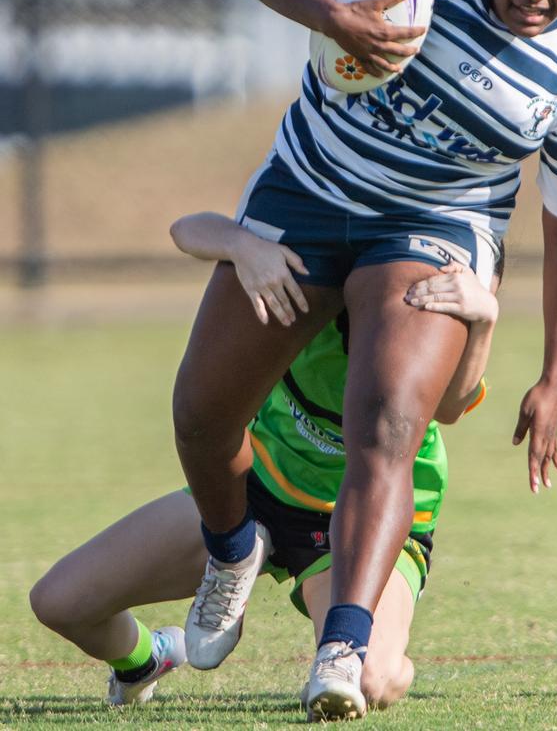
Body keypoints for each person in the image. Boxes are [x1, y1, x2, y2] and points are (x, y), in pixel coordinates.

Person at [172, 0, 557, 718]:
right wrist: (339, 19)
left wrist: (555, 375)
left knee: (390, 421)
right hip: (308, 188)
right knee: (202, 414)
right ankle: (231, 552)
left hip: (433, 228)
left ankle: (342, 646)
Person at [29, 215, 501, 717]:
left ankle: (379, 645)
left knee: (373, 680)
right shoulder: (311, 251)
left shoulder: (421, 283)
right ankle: (148, 660)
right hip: (256, 495)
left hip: (363, 523)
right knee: (61, 603)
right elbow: (185, 229)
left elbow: (449, 409)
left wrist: (484, 319)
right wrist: (243, 246)